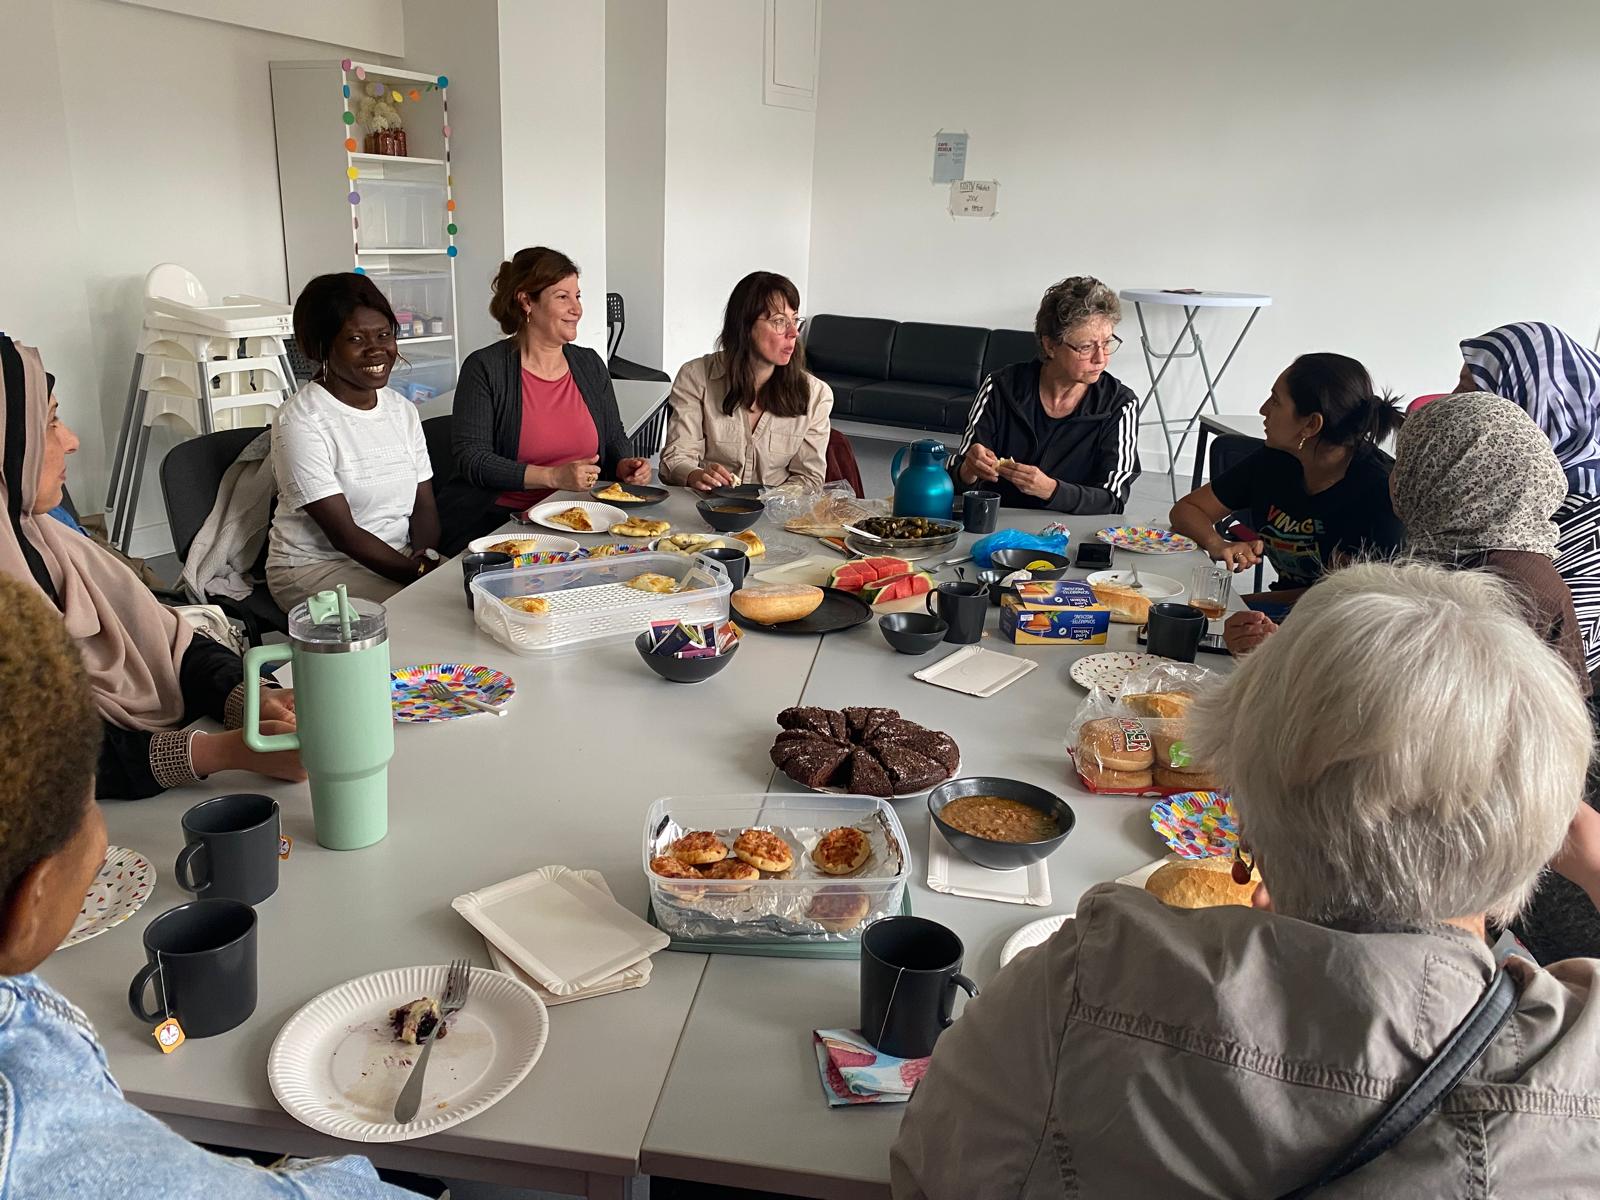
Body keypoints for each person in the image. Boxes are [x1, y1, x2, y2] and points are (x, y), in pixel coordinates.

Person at [892, 561, 1600, 1198]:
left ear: (1240, 804)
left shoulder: (1084, 979)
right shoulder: (1576, 1061)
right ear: (1543, 823)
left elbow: (926, 1171)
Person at [0, 577, 424, 1199]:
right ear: (28, 907)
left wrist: (243, 702)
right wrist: (340, 1170)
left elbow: (181, 645)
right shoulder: (47, 1145)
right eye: (91, 810)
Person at [0, 337, 302, 800]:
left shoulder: (47, 536)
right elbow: (37, 761)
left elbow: (173, 644)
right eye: (50, 422)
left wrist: (247, 698)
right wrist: (222, 753)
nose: (72, 441)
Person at [1174, 352, 1403, 660]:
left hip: (1342, 641)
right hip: (1283, 616)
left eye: (1276, 401)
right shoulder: (1276, 460)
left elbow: (1352, 601)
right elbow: (1187, 509)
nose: (1263, 410)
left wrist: (1238, 606)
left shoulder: (1380, 493)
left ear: (1311, 424)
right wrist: (1218, 544)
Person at [448, 247, 651, 546]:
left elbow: (612, 435)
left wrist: (623, 464)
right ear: (527, 301)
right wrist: (553, 477)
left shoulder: (589, 364)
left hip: (585, 518)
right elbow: (473, 459)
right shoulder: (485, 368)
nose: (577, 309)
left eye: (577, 296)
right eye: (562, 297)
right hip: (507, 525)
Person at [267, 273, 440, 611]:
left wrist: (426, 556)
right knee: (430, 615)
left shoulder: (401, 410)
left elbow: (424, 504)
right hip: (315, 569)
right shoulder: (301, 420)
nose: (376, 349)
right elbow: (344, 535)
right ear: (320, 347)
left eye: (384, 335)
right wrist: (420, 575)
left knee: (481, 598)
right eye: (356, 338)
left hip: (399, 557)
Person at [1458, 321, 1600, 679]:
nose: (1452, 400)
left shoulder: (1583, 515)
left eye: (1470, 391)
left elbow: (1554, 661)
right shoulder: (1503, 483)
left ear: (1534, 405)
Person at [949, 275, 1139, 513]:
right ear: (1050, 346)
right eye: (1086, 347)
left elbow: (1114, 499)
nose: (1101, 358)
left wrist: (1051, 490)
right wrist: (969, 469)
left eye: (1107, 343)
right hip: (996, 522)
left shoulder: (1119, 404)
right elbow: (956, 480)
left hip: (1072, 528)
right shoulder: (999, 387)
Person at [658, 271, 832, 491]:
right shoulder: (695, 377)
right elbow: (675, 458)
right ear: (745, 326)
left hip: (777, 510)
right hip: (706, 505)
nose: (793, 333)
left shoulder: (816, 394)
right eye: (779, 321)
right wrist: (695, 475)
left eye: (795, 320)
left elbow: (809, 479)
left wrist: (770, 501)